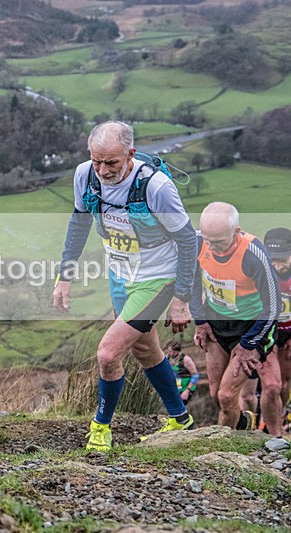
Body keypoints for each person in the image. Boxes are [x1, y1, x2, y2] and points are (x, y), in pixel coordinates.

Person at [53, 121, 197, 451]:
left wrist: (181, 298)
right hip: (120, 275)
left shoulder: (155, 186)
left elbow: (188, 241)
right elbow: (78, 224)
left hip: (158, 278)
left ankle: (101, 428)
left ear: (130, 154)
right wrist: (65, 276)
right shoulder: (83, 175)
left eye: (112, 163)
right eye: (96, 161)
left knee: (107, 353)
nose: (103, 170)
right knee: (145, 349)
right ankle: (180, 418)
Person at [190, 202, 283, 437]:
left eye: (219, 241)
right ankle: (243, 427)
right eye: (208, 239)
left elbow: (274, 307)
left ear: (237, 231)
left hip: (251, 327)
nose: (212, 247)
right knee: (215, 394)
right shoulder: (198, 242)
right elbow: (190, 283)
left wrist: (249, 344)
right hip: (216, 323)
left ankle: (220, 451)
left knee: (226, 395)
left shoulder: (254, 256)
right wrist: (200, 321)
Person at [239, 227, 291, 430]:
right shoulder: (257, 262)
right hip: (265, 329)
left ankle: (275, 420)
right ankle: (267, 429)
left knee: (284, 385)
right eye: (273, 260)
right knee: (270, 385)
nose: (277, 266)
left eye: (283, 260)